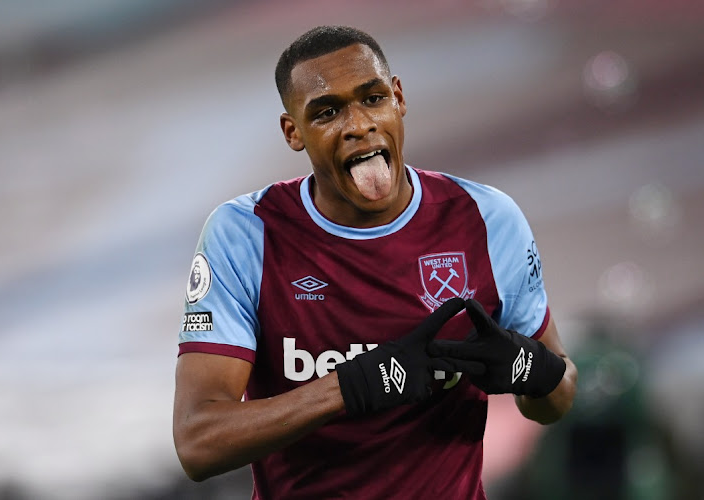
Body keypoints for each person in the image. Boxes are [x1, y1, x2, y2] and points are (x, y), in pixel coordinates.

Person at [173, 25, 577, 499]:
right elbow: (198, 442)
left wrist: (528, 367)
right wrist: (351, 386)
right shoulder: (245, 235)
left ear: (399, 97)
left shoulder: (488, 220)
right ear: (293, 132)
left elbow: (558, 394)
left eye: (372, 98)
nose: (358, 125)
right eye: (327, 112)